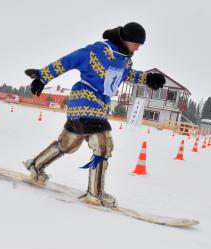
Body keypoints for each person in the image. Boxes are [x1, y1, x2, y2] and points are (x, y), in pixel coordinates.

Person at [24, 22, 165, 207]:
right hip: (85, 100)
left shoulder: (124, 59)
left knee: (68, 144)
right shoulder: (96, 51)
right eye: (136, 44)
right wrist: (42, 77)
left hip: (96, 106)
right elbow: (68, 61)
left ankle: (36, 165)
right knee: (103, 145)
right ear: (127, 39)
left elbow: (128, 75)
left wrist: (148, 78)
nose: (138, 49)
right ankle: (95, 193)